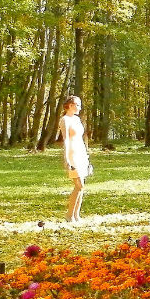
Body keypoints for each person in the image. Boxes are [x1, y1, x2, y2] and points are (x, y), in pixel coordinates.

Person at [58, 95, 90, 223]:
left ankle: (76, 215)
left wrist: (87, 155)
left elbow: (81, 139)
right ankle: (69, 215)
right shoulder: (64, 120)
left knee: (82, 186)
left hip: (81, 153)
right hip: (72, 154)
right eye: (78, 105)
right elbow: (66, 140)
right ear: (70, 105)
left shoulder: (77, 119)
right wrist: (67, 158)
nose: (80, 107)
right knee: (79, 185)